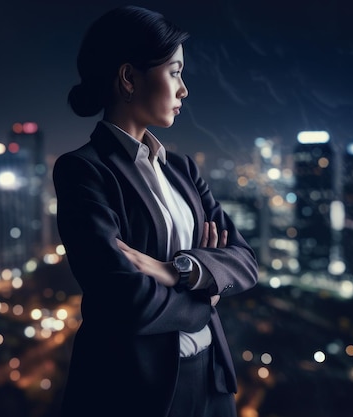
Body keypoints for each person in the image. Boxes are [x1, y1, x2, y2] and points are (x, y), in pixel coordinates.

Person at [52, 5, 259, 417]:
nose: (184, 90)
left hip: (212, 382)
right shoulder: (84, 171)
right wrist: (207, 296)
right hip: (133, 391)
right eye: (175, 72)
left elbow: (246, 261)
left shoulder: (182, 169)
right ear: (129, 78)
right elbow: (122, 298)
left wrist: (177, 270)